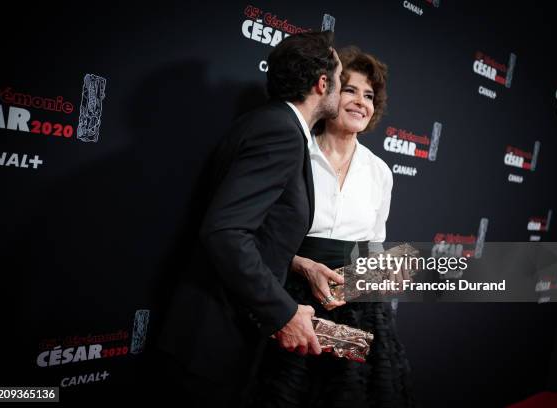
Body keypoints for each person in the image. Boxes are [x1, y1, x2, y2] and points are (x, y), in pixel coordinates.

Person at [155, 31, 343, 407]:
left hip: (213, 337)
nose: (340, 89)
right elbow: (225, 231)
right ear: (322, 84)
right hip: (210, 341)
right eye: (340, 80)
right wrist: (283, 312)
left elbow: (251, 225)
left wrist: (299, 264)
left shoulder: (268, 123)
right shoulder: (280, 132)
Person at [255, 46, 415, 408]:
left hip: (356, 306)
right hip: (291, 301)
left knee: (348, 395)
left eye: (369, 95)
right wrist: (301, 265)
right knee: (286, 394)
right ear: (328, 92)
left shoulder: (380, 172)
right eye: (350, 89)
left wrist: (389, 270)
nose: (361, 102)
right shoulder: (294, 150)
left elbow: (375, 245)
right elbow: (259, 235)